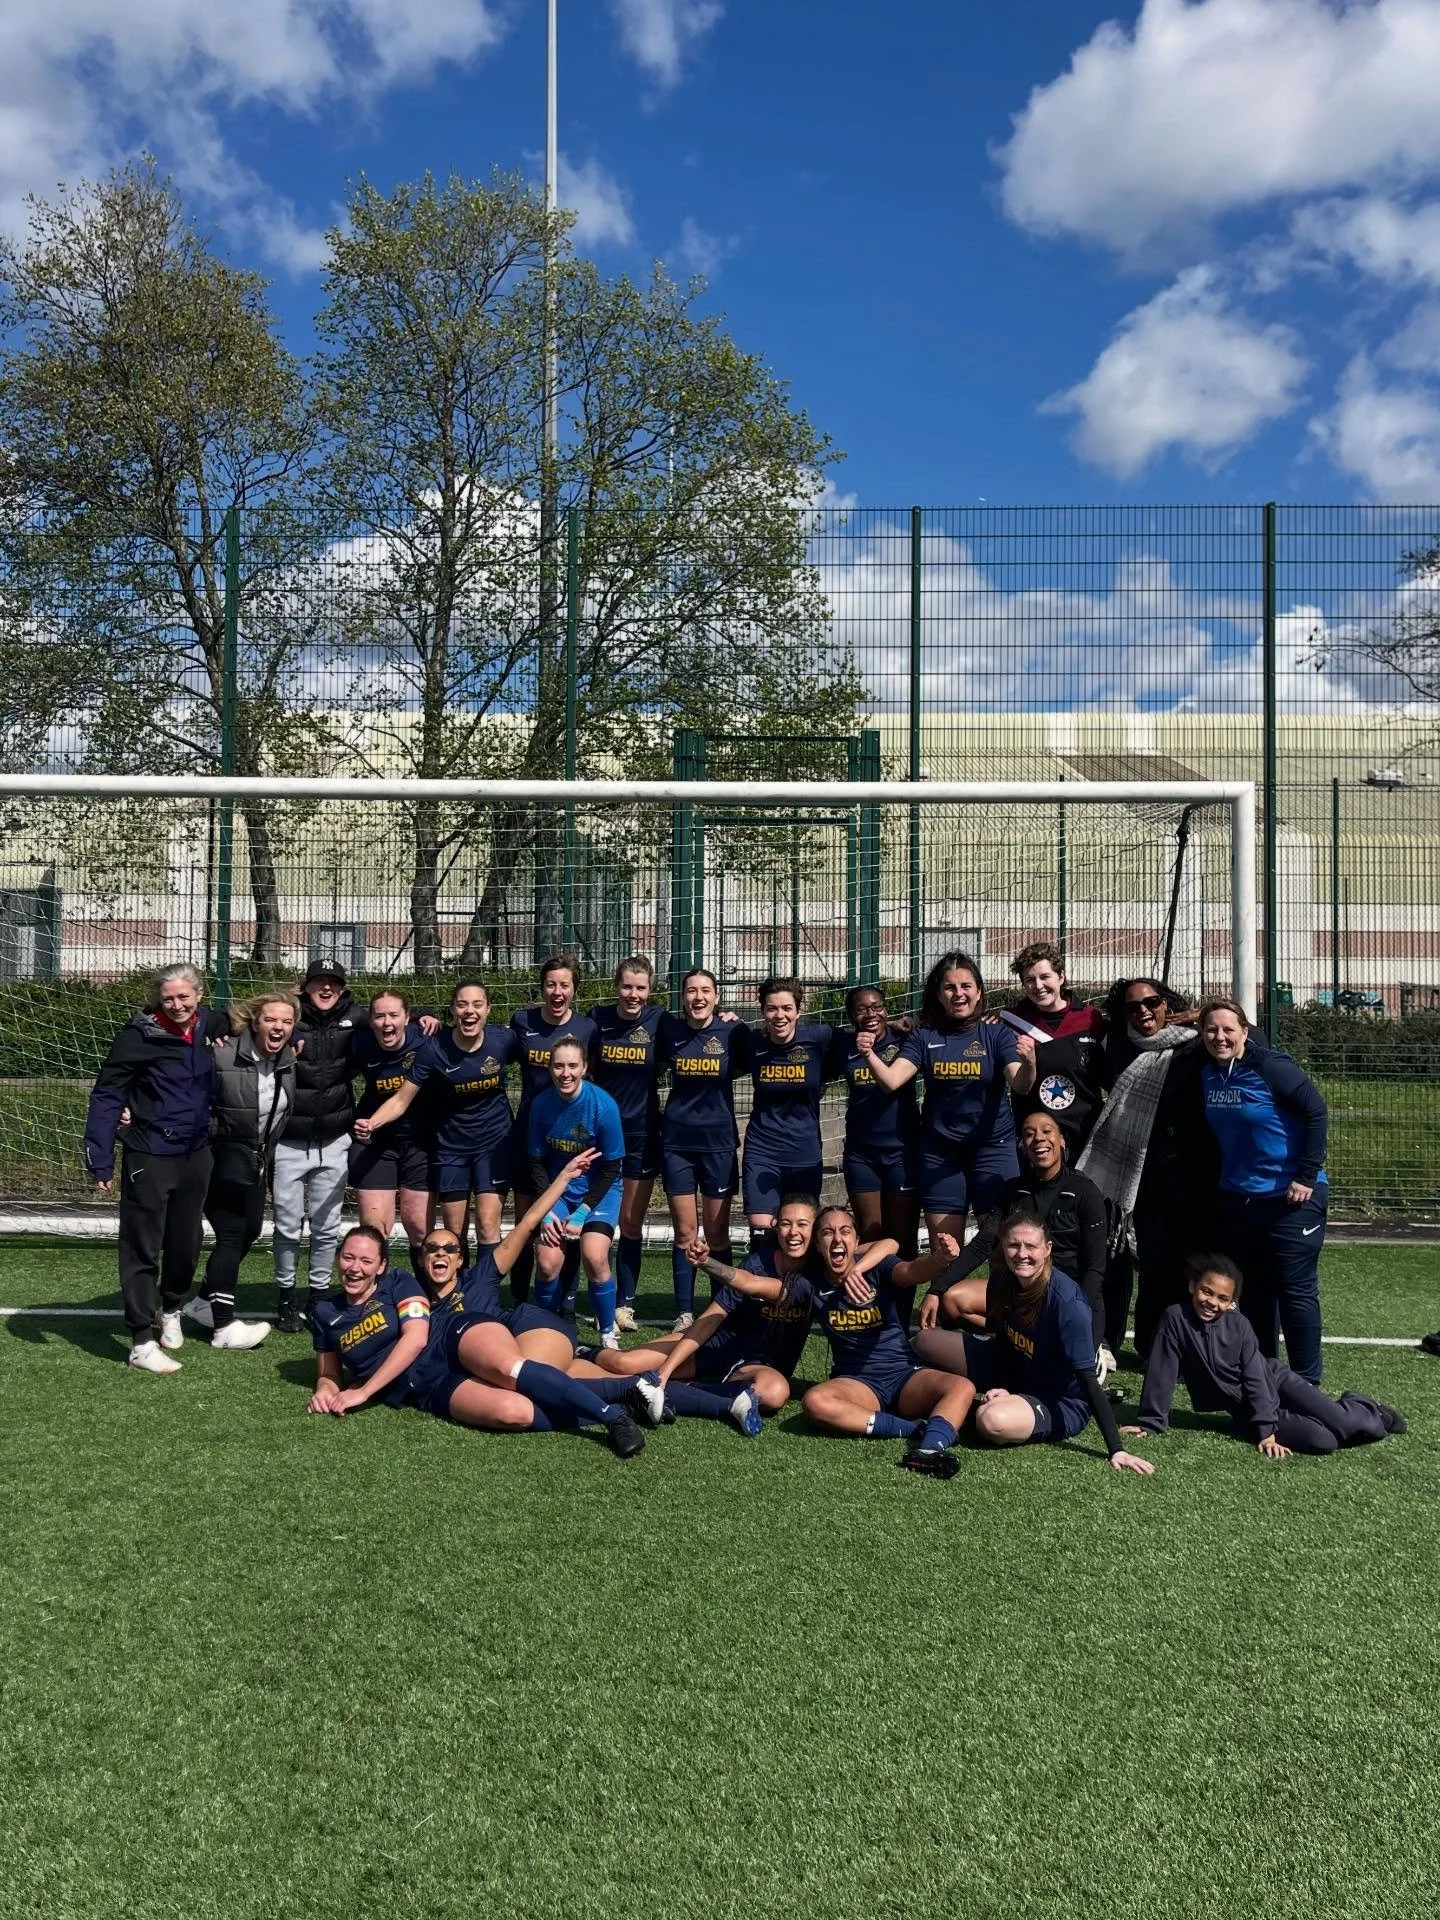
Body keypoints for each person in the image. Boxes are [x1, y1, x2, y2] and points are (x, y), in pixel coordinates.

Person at [309, 1222, 647, 1457]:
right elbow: (329, 1373)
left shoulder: (398, 1283)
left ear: (381, 1265)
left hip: (455, 1339)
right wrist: (326, 1389)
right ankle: (628, 1398)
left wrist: (363, 1391)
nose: (355, 1267)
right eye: (348, 1257)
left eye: (366, 1260)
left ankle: (611, 1415)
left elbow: (414, 1340)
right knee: (511, 1412)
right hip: (425, 1384)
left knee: (514, 1371)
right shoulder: (325, 1313)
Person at [409, 1152, 661, 1447]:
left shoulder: (479, 1277)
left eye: (449, 1248)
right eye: (432, 1249)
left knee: (524, 1381)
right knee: (521, 1397)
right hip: (511, 1360)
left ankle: (617, 1401)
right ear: (422, 1258)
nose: (441, 1253)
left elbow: (528, 1222)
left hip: (530, 1330)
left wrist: (564, 1177)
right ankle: (644, 1394)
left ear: (460, 1258)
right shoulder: (414, 1305)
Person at [588, 1193, 893, 1431]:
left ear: (816, 1233)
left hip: (760, 1367)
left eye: (803, 1225)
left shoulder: (820, 1267)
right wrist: (663, 1373)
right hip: (716, 1346)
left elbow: (889, 1243)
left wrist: (860, 1269)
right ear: (775, 1225)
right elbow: (714, 1315)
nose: (793, 1233)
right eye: (786, 1223)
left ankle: (675, 1390)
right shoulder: (758, 1262)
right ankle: (585, 1352)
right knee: (624, 1362)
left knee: (774, 1394)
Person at [911, 1209, 1154, 1474]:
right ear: (1003, 1246)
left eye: (1031, 1246)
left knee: (992, 1421)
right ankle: (947, 1395)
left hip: (1059, 1398)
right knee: (924, 1341)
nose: (1022, 1254)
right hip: (1016, 1369)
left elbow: (1087, 1380)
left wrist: (1116, 1449)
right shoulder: (1002, 1279)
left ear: (1048, 1249)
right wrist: (1002, 1386)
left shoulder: (1067, 1303)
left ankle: (960, 1407)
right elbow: (1001, 1340)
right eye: (1013, 1245)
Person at [83, 962, 227, 1374]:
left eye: (185, 996)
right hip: (149, 1153)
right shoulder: (138, 1035)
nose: (178, 1004)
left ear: (199, 995)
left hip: (196, 1153)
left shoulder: (208, 1026)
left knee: (187, 1240)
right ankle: (140, 1340)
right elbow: (108, 1095)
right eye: (169, 999)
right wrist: (100, 1157)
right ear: (157, 1001)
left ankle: (172, 1308)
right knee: (141, 1245)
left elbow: (251, 1016)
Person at [1122, 1253, 1403, 1456]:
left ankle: (1366, 1407)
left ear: (1232, 1303)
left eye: (1222, 1299)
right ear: (1193, 1286)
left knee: (1342, 1423)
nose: (1211, 1303)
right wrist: (1151, 1422)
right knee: (1324, 1441)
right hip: (1245, 1408)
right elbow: (1162, 1369)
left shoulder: (1240, 1326)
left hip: (1275, 1381)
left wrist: (1266, 1430)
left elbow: (1255, 1376)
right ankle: (1313, 1418)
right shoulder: (1175, 1318)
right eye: (1207, 1292)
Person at [859, 950, 1037, 1249]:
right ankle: (946, 1297)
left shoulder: (996, 1033)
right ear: (939, 994)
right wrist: (868, 1055)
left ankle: (997, 1298)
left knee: (1000, 1245)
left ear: (979, 991)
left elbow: (1021, 1085)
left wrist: (1030, 1062)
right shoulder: (924, 1036)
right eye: (950, 987)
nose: (959, 994)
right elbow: (891, 1081)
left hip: (993, 1149)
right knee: (946, 1250)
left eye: (966, 986)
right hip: (940, 1153)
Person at [1077, 976, 1214, 1360]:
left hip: (1184, 1171)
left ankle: (1180, 1345)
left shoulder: (1193, 1043)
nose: (1143, 1011)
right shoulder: (1117, 1046)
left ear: (1166, 1003)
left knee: (1183, 1264)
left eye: (1152, 1002)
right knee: (1145, 1262)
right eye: (1133, 1006)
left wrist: (1201, 1015)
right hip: (1132, 1174)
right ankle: (1139, 1342)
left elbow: (1248, 1037)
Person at [1198, 998, 1330, 1384]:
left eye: (1228, 1029)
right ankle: (1262, 1376)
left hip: (1292, 1199)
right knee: (1254, 1292)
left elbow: (1316, 1112)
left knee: (1295, 1291)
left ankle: (1307, 1384)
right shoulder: (1209, 1073)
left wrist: (1306, 1176)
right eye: (1211, 1029)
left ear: (1244, 1032)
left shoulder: (1270, 1067)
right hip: (1242, 1199)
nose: (1219, 1037)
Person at [919, 1110, 1110, 1375]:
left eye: (1046, 1131)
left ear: (1062, 1140)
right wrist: (936, 1289)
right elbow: (981, 1245)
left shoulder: (1085, 1192)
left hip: (1068, 1298)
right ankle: (1009, 1339)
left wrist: (1079, 1317)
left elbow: (1095, 1268)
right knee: (953, 1300)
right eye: (1029, 1134)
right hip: (1022, 1291)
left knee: (1060, 1368)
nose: (1038, 1139)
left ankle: (1081, 1347)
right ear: (1022, 1145)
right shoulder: (1013, 1191)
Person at [799, 1205, 979, 1478]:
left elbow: (911, 1271)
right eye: (827, 1232)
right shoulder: (810, 1283)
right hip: (857, 1383)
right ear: (817, 1243)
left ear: (857, 1242)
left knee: (962, 1387)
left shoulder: (879, 1268)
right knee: (815, 1401)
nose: (837, 1239)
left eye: (845, 1231)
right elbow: (759, 1287)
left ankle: (930, 1450)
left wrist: (940, 1259)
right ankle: (915, 1429)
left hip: (904, 1374)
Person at [357, 980, 517, 1261]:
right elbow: (401, 1099)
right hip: (450, 1147)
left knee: (487, 1224)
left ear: (489, 1009)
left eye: (477, 1004)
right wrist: (372, 1122)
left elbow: (542, 1061)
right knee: (454, 1230)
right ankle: (457, 1296)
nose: (470, 1011)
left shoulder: (503, 1040)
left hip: (494, 1144)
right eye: (462, 1004)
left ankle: (486, 1296)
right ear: (452, 1011)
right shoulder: (433, 1050)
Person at [181, 991, 298, 1351]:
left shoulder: (289, 1058)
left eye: (287, 1021)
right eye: (270, 1020)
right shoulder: (220, 1052)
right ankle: (223, 1327)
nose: (278, 1027)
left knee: (249, 1231)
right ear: (255, 1022)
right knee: (232, 1234)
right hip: (215, 1159)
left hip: (253, 1162)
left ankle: (202, 1302)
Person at [657, 966, 751, 1329]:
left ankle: (718, 1308)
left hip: (719, 1144)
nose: (698, 997)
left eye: (706, 990)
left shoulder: (733, 1031)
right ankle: (683, 1313)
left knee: (716, 1234)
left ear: (716, 996)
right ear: (683, 997)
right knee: (685, 1232)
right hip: (677, 1143)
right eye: (691, 991)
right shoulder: (670, 1030)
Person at [270, 960, 359, 1334]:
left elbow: (398, 1014)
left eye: (333, 983)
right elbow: (242, 1022)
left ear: (342, 988)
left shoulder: (356, 1017)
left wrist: (424, 1017)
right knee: (287, 1226)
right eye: (320, 982)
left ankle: (319, 1294)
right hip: (289, 1141)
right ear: (306, 987)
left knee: (326, 1227)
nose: (327, 989)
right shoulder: (288, 1017)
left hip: (335, 1139)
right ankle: (286, 1294)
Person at [508, 955, 597, 1305]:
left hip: (569, 1141)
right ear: (541, 987)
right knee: (527, 1222)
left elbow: (594, 1079)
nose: (557, 992)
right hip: (529, 1139)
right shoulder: (521, 1022)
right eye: (551, 984)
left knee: (567, 1224)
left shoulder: (588, 1029)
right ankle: (516, 1299)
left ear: (574, 989)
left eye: (565, 985)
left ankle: (567, 1302)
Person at [527, 1038, 627, 1347]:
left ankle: (607, 1333)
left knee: (594, 1255)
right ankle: (541, 1328)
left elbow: (612, 1167)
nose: (565, 1073)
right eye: (558, 1065)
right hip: (558, 1191)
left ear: (584, 1068)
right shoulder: (541, 1104)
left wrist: (583, 1212)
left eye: (572, 1065)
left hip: (600, 1192)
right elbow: (536, 1162)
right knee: (546, 1260)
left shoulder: (603, 1105)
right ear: (550, 1069)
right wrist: (546, 1211)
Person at [588, 956, 664, 1332]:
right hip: (599, 1135)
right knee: (585, 1217)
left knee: (630, 1223)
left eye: (640, 988)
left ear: (650, 990)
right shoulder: (597, 1019)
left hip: (642, 1135)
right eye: (627, 986)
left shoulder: (659, 1021)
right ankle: (575, 1299)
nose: (633, 994)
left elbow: (697, 1032)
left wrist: (728, 1017)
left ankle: (624, 1305)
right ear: (616, 986)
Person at [741, 976, 835, 1250]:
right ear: (762, 1011)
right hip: (762, 1150)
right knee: (763, 1234)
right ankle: (762, 1294)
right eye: (772, 1009)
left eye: (786, 1008)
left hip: (804, 1152)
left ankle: (799, 1292)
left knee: (801, 1234)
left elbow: (862, 1039)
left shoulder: (819, 1037)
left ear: (798, 1010)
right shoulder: (750, 1042)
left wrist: (894, 1025)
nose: (779, 1015)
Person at [346, 988, 434, 1274]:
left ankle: (428, 1295)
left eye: (394, 1015)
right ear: (370, 1020)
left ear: (408, 1017)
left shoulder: (426, 1040)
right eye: (379, 1016)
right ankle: (376, 1299)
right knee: (373, 1229)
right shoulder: (359, 1043)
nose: (387, 1023)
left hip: (420, 1142)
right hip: (376, 1143)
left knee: (419, 1227)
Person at [834, 984, 921, 1258]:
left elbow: (938, 1021)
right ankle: (869, 1300)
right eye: (861, 1009)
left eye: (877, 1007)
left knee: (901, 1237)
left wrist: (900, 1022)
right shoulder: (843, 1045)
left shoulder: (906, 1038)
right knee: (869, 1233)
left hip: (903, 1153)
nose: (871, 1014)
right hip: (862, 1155)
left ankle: (900, 1302)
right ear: (850, 1015)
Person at [996, 941, 1107, 1153]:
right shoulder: (1010, 1021)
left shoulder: (1090, 1018)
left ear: (1061, 977)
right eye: (1029, 980)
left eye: (1045, 977)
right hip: (1036, 1138)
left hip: (1085, 1134)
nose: (1038, 986)